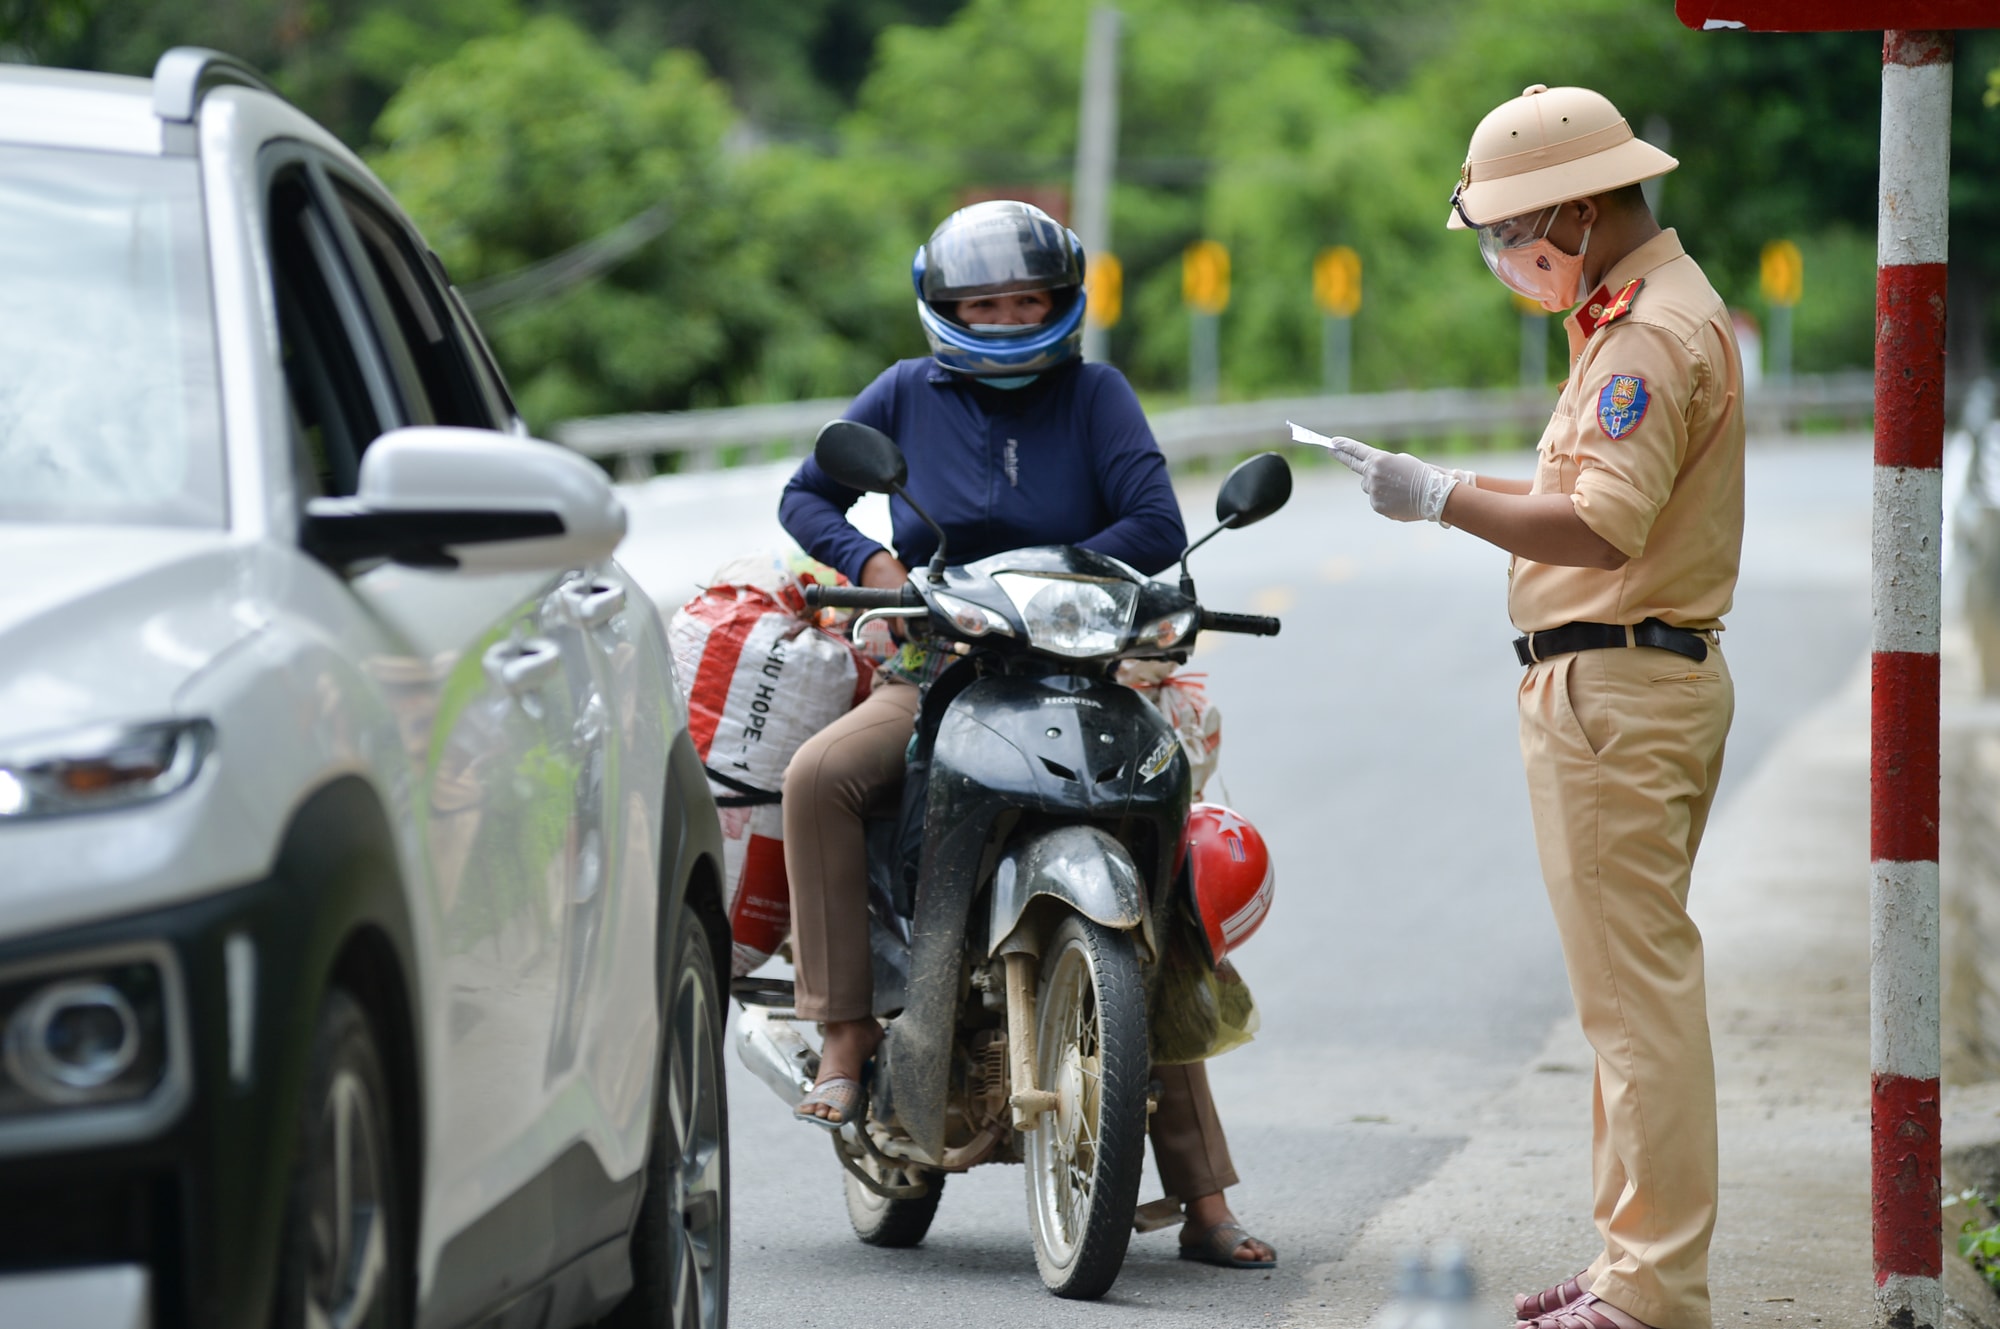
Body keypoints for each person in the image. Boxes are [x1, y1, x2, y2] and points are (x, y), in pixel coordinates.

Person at [777, 199, 1275, 1269]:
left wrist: (1050, 584)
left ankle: (1204, 1199)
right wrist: (875, 572)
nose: (1004, 321)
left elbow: (1152, 522)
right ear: (943, 308)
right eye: (981, 305)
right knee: (822, 775)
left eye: (1025, 301)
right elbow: (807, 496)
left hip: (1081, 670)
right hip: (942, 671)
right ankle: (844, 1029)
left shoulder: (1096, 395)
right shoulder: (905, 394)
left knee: (1154, 906)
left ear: (1061, 303)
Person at [1318, 86, 1743, 1329]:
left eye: (1509, 230)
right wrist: (1445, 487)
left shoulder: (1649, 337)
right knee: (1621, 1005)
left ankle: (1653, 1289)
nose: (1506, 255)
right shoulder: (1629, 315)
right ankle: (1629, 1262)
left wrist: (1440, 498)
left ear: (1575, 204)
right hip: (1621, 677)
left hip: (1616, 681)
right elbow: (1585, 492)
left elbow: (1601, 526)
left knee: (1637, 1009)